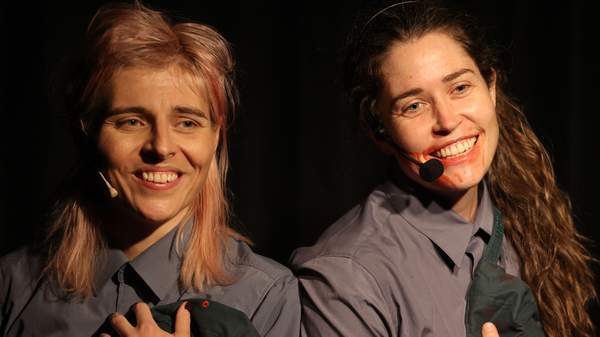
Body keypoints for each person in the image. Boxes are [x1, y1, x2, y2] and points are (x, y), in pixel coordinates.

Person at [291, 1, 596, 337]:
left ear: (491, 87)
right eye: (414, 105)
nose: (448, 121)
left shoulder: (529, 220)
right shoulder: (348, 279)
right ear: (380, 132)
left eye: (460, 88)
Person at [0, 3, 300, 337]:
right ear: (86, 130)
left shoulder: (266, 297)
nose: (160, 147)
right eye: (132, 121)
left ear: (216, 135)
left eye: (187, 122)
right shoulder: (13, 285)